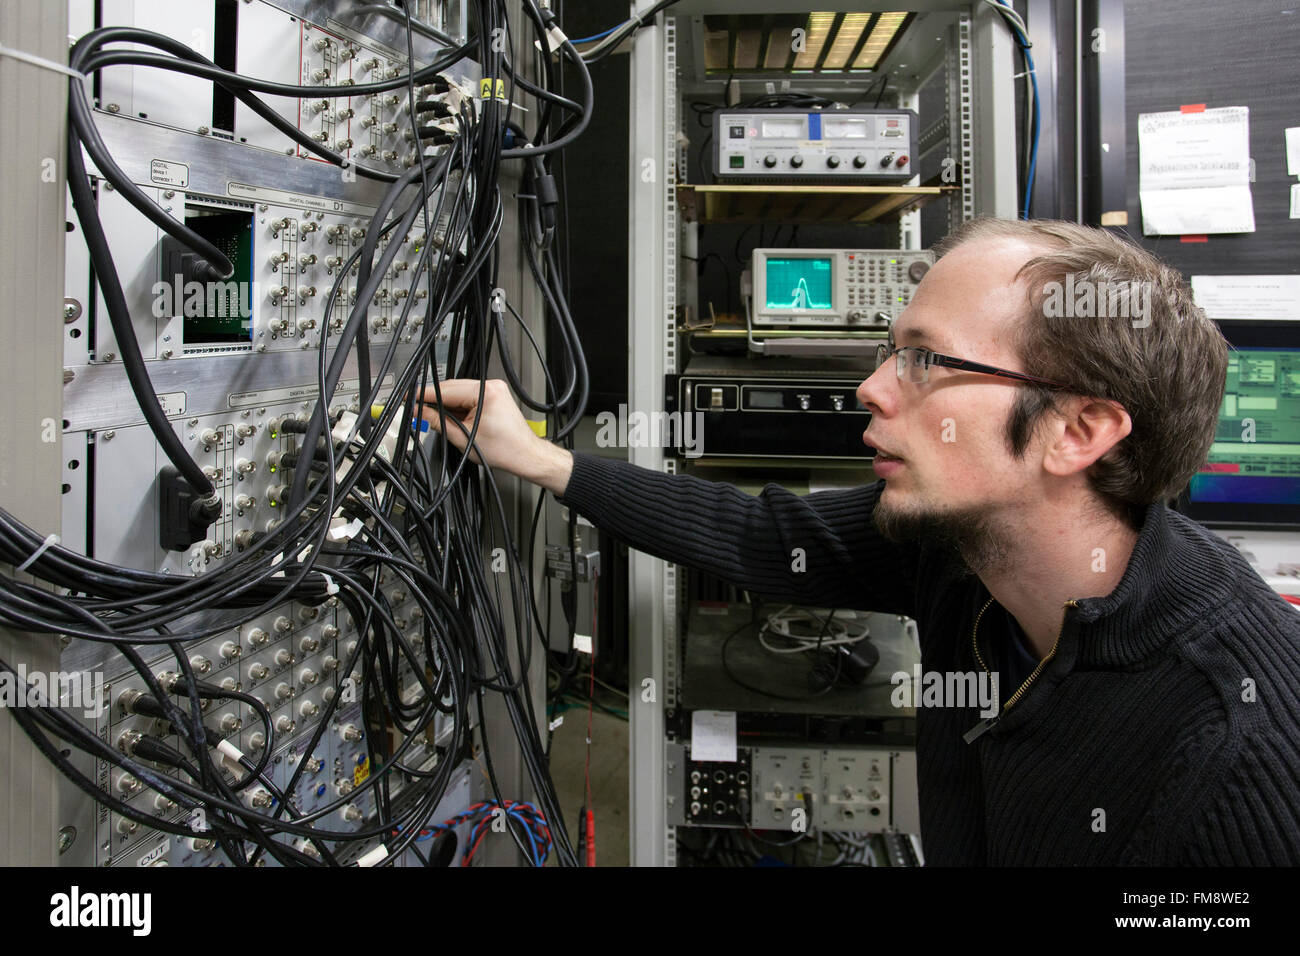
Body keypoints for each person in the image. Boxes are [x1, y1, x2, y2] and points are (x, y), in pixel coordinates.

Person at [418, 218, 1300, 865]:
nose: (871, 388)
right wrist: (535, 457)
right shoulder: (965, 549)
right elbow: (758, 532)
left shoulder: (1234, 761)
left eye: (924, 360)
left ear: (1078, 432)